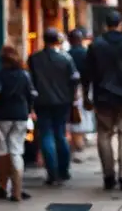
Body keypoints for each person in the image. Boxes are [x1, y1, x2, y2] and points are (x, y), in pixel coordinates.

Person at [83, 11, 122, 191]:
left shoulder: (96, 45)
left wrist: (86, 95)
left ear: (105, 25)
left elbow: (86, 73)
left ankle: (108, 176)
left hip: (103, 97)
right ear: (120, 24)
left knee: (104, 134)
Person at [0, 45, 36, 201]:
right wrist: (30, 110)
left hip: (2, 117)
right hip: (20, 116)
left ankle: (2, 187)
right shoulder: (25, 75)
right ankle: (17, 190)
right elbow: (32, 94)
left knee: (1, 151)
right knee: (16, 151)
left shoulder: (0, 75)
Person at [29, 29, 80, 186]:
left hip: (42, 101)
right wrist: (73, 97)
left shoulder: (34, 59)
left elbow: (31, 82)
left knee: (46, 135)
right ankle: (63, 171)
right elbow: (74, 79)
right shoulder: (65, 58)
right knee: (60, 134)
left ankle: (52, 173)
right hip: (62, 102)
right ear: (57, 40)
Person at [67, 29, 90, 154]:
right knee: (82, 115)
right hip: (85, 88)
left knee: (75, 115)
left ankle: (77, 141)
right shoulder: (87, 53)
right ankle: (80, 140)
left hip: (70, 89)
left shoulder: (66, 55)